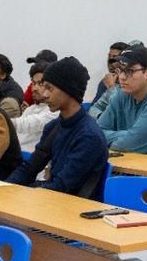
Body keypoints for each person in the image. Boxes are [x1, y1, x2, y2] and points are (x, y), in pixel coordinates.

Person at [7, 57, 108, 198]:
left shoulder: (89, 136)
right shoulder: (54, 127)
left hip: (72, 205)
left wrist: (30, 197)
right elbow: (30, 168)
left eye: (50, 88)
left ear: (68, 91)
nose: (45, 94)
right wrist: (4, 189)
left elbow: (62, 186)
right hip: (52, 197)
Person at [13, 61, 59, 151]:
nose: (34, 88)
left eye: (40, 83)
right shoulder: (30, 109)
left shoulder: (56, 111)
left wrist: (7, 122)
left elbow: (34, 122)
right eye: (33, 83)